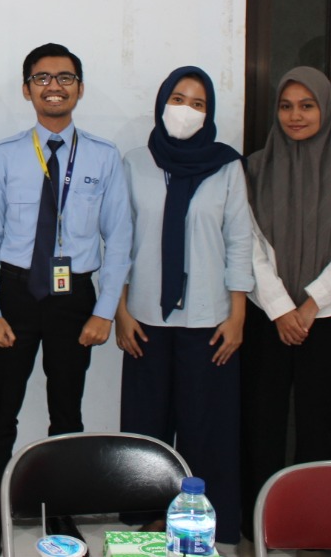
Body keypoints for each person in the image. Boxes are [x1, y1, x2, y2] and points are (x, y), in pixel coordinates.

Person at [0, 43, 132, 554]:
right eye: (42, 78)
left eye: (65, 77)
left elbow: (120, 240)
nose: (54, 87)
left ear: (79, 88)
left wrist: (104, 312)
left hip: (73, 298)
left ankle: (61, 510)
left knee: (68, 413)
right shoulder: (5, 155)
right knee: (1, 412)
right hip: (15, 295)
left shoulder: (104, 157)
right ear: (27, 90)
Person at [116, 66, 251, 548]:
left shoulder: (227, 166)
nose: (186, 110)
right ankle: (148, 516)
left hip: (210, 321)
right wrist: (120, 311)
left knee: (206, 427)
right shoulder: (134, 163)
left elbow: (239, 241)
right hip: (144, 318)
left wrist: (238, 314)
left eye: (198, 104)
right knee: (146, 426)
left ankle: (207, 522)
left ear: (209, 114)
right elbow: (120, 241)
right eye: (178, 99)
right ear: (161, 103)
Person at [239, 67, 331, 536]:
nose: (295, 116)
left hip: (330, 318)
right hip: (267, 317)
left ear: (326, 109)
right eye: (286, 106)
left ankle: (315, 527)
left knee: (321, 424)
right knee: (262, 422)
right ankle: (261, 524)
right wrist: (280, 308)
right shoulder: (254, 170)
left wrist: (310, 306)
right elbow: (249, 247)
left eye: (307, 105)